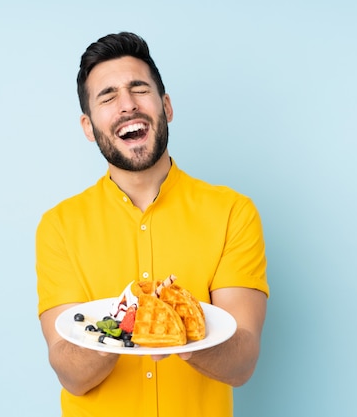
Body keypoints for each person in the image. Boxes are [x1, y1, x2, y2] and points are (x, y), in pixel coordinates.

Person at [36, 32, 269, 417]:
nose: (127, 105)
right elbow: (71, 374)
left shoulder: (233, 212)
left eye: (139, 89)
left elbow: (242, 363)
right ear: (89, 127)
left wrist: (176, 332)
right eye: (108, 97)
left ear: (166, 106)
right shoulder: (59, 226)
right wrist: (133, 319)